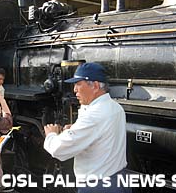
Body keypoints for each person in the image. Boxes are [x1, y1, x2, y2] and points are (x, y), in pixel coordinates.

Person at [43, 63, 130, 193]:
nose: (74, 90)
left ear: (94, 86)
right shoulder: (115, 107)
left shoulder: (94, 115)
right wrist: (76, 128)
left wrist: (51, 134)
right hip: (119, 181)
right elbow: (100, 131)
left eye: (78, 84)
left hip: (98, 187)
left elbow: (58, 149)